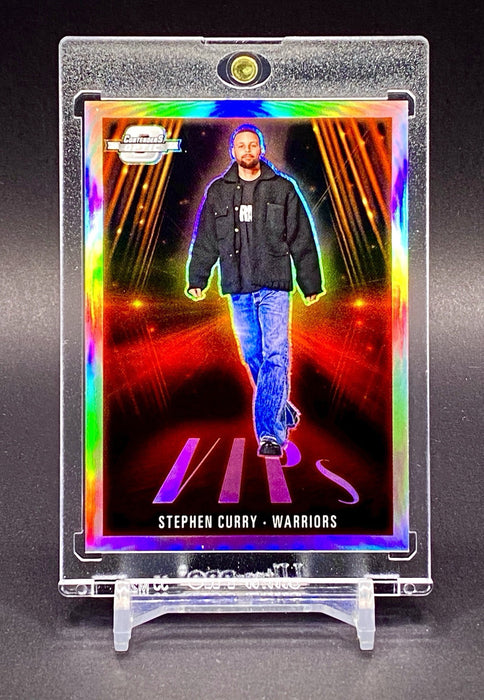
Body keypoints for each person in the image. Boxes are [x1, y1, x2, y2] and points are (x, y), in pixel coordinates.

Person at [186, 125, 324, 457]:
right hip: (238, 287)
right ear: (232, 151)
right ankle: (281, 409)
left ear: (261, 149)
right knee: (252, 355)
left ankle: (270, 435)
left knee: (276, 354)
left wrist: (310, 282)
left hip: (275, 286)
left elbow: (302, 237)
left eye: (253, 145)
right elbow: (205, 239)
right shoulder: (218, 191)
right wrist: (197, 278)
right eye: (241, 145)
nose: (247, 150)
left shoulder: (283, 189)